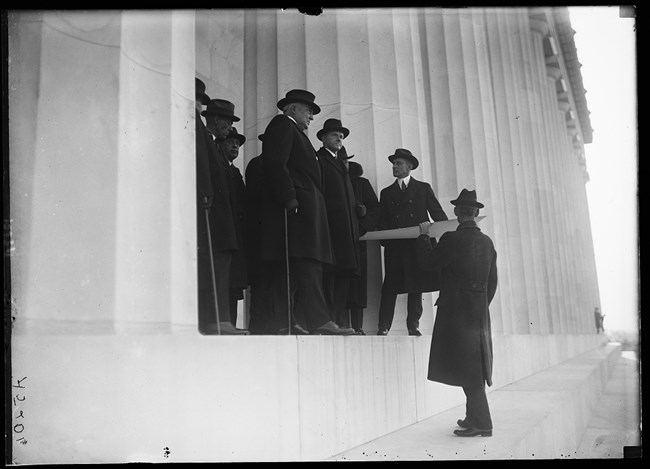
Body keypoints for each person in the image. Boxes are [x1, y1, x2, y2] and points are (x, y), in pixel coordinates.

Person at [260, 89, 355, 335]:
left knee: (294, 267)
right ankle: (319, 321)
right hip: (299, 210)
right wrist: (290, 198)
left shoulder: (296, 132)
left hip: (307, 210)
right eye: (308, 110)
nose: (312, 117)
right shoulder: (283, 124)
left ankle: (284, 321)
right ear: (292, 109)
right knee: (307, 265)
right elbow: (275, 164)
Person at [416, 189, 498, 437]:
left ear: (457, 213)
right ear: (476, 213)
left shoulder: (451, 239)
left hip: (457, 312)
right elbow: (492, 282)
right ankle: (472, 416)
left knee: (467, 368)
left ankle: (483, 424)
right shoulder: (487, 242)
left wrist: (424, 236)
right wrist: (480, 304)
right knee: (474, 366)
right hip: (479, 312)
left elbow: (428, 264)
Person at [376, 148, 448, 336]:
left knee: (417, 286)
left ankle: (413, 326)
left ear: (409, 166)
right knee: (390, 286)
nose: (394, 166)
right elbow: (382, 219)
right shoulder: (386, 193)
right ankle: (383, 327)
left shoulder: (423, 188)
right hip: (396, 247)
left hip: (417, 245)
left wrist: (445, 234)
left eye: (398, 163)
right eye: (393, 163)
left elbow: (438, 214)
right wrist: (385, 239)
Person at [245, 134, 309, 335]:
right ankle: (259, 327)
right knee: (263, 284)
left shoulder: (287, 167)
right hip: (263, 235)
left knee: (284, 282)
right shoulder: (258, 164)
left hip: (283, 234)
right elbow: (256, 196)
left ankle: (285, 321)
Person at [199, 97, 249, 335]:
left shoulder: (213, 144)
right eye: (228, 123)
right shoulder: (204, 139)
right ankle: (215, 320)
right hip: (212, 218)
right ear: (217, 120)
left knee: (222, 272)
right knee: (214, 271)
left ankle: (221, 320)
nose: (230, 128)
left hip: (222, 221)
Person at [316, 120, 361, 328]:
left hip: (346, 231)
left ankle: (340, 321)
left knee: (344, 276)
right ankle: (329, 320)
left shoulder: (340, 163)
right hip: (331, 230)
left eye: (341, 136)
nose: (339, 139)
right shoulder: (320, 160)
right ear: (324, 138)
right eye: (335, 135)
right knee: (330, 277)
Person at [339, 155, 380, 335]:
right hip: (336, 239)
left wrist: (362, 225)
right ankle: (338, 324)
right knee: (338, 283)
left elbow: (375, 208)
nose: (343, 164)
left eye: (345, 161)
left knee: (357, 284)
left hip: (356, 239)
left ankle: (357, 326)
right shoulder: (329, 179)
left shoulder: (361, 183)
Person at [218, 127, 248, 327]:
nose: (235, 145)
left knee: (234, 282)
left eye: (237, 142)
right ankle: (223, 321)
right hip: (222, 233)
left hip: (236, 233)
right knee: (223, 279)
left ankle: (231, 323)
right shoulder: (219, 168)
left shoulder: (235, 171)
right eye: (230, 141)